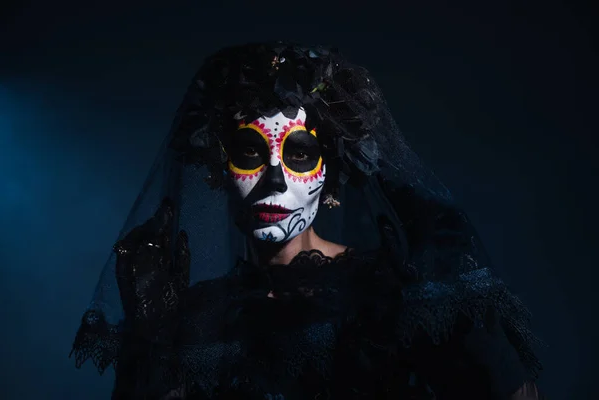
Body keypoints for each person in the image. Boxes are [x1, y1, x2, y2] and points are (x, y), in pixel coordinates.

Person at [71, 42, 544, 399]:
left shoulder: (390, 292)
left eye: (299, 153)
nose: (274, 179)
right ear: (218, 172)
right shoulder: (204, 321)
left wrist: (456, 299)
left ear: (330, 174)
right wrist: (149, 343)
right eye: (249, 153)